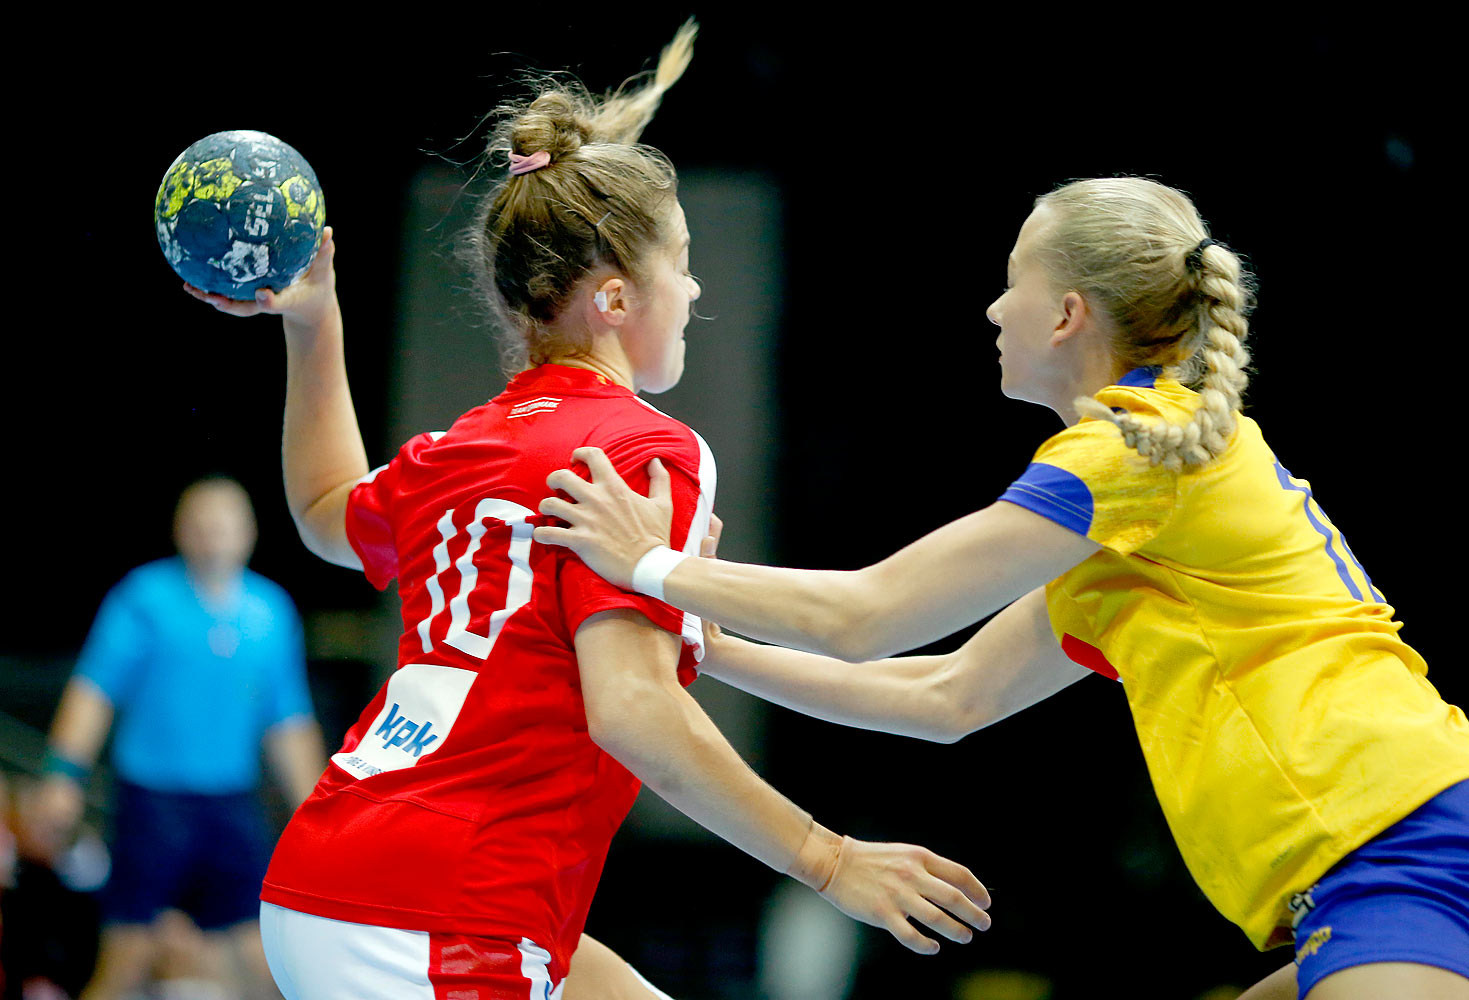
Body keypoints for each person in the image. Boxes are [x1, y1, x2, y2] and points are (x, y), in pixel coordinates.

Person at [185, 22, 989, 1000]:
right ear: (612, 297)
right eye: (680, 262)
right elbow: (632, 708)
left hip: (333, 878)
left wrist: (314, 320)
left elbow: (321, 511)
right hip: (447, 911)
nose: (693, 290)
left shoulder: (464, 445)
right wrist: (826, 858)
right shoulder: (647, 450)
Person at [534, 176, 1469, 1000]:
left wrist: (650, 568)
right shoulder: (1136, 510)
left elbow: (870, 615)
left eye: (1011, 279)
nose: (990, 309)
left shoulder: (1131, 451)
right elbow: (946, 695)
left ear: (1065, 314)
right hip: (1370, 867)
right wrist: (702, 638)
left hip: (1403, 846)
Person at [36, 477, 328, 1000]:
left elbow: (289, 723)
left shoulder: (270, 611)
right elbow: (93, 692)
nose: (213, 536)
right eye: (201, 524)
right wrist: (63, 775)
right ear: (181, 530)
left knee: (262, 957)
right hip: (152, 802)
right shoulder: (143, 598)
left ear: (249, 533)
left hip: (231, 805)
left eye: (225, 525)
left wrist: (323, 813)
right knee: (128, 954)